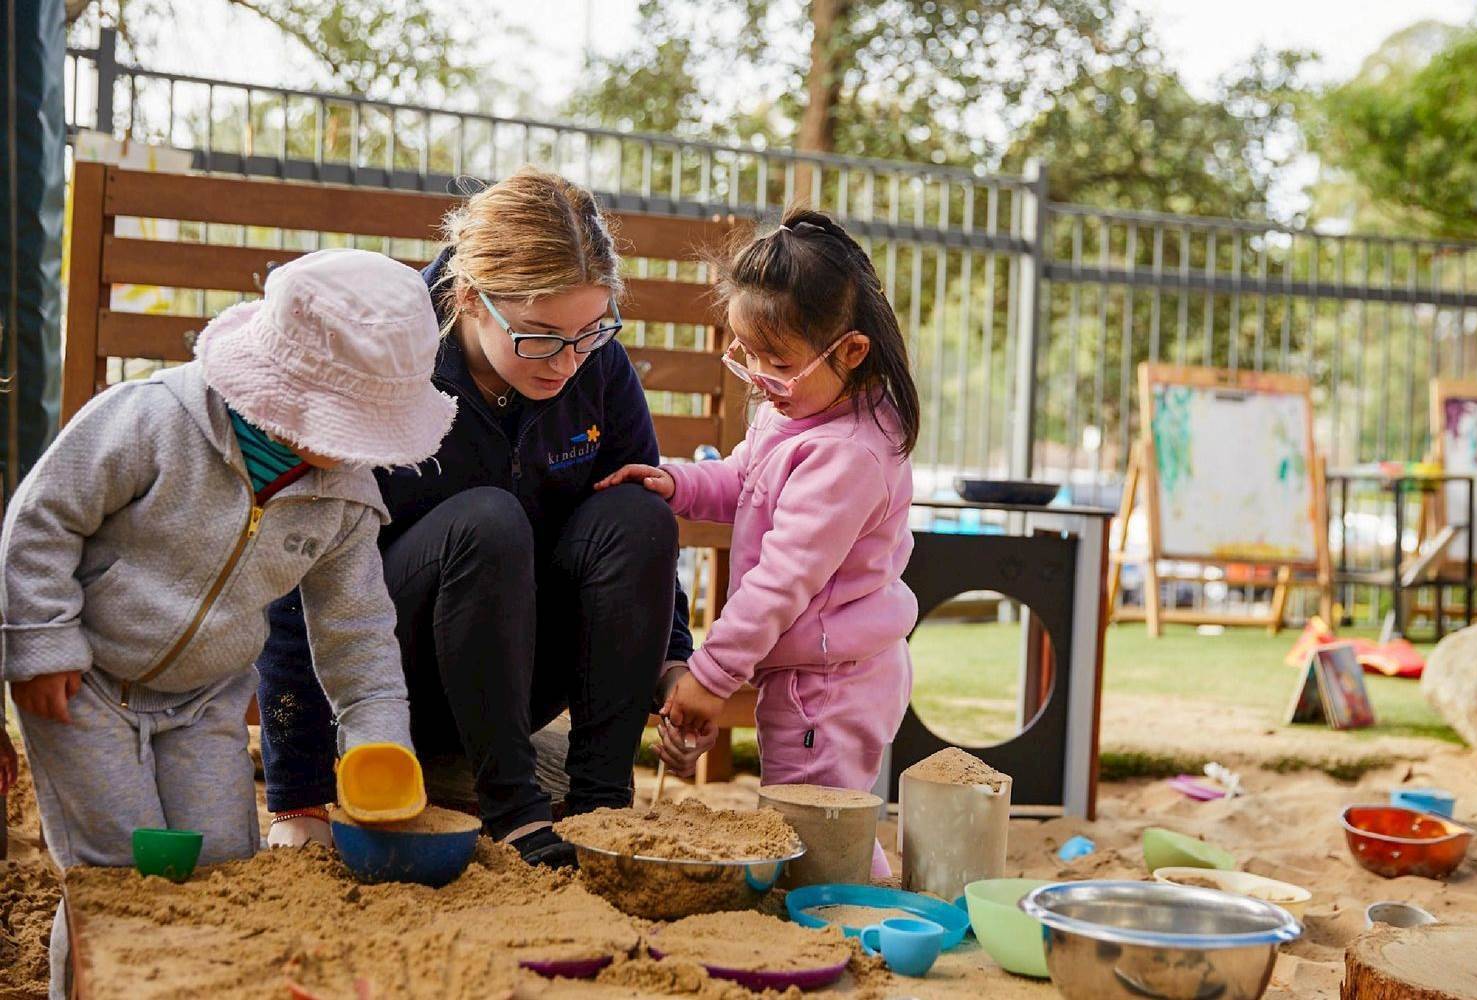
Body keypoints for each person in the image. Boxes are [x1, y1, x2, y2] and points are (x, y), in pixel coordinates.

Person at [0, 248, 451, 997]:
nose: (352, 449)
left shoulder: (343, 497)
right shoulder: (152, 419)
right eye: (346, 423)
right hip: (87, 682)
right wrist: (41, 641)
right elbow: (42, 518)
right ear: (280, 389)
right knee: (120, 870)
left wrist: (378, 742)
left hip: (206, 699)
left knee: (222, 866)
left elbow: (359, 632)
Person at [258, 166, 694, 867]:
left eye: (590, 332)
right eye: (539, 335)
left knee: (639, 512)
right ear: (469, 298)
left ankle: (601, 807)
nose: (566, 363)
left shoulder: (594, 365)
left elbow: (638, 541)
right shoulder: (392, 362)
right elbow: (298, 573)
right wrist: (297, 796)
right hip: (396, 672)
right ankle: (516, 813)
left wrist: (674, 660)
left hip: (522, 674)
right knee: (488, 522)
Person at [598, 208, 921, 876]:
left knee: (819, 820)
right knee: (803, 810)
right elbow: (743, 480)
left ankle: (856, 905)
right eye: (745, 354)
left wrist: (710, 677)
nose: (760, 379)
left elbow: (782, 581)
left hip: (833, 684)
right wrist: (674, 482)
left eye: (777, 362)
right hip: (804, 670)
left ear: (852, 352)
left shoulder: (848, 455)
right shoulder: (796, 411)